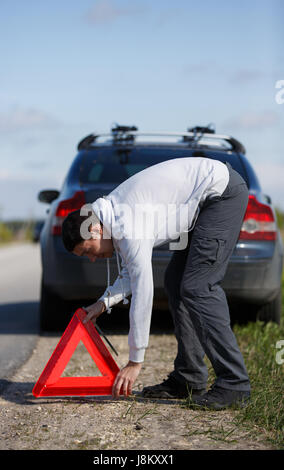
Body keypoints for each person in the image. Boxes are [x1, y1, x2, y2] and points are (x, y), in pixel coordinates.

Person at [62, 157, 251, 410]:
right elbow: (131, 273)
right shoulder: (113, 216)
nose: (93, 258)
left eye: (88, 251)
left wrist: (135, 361)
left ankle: (234, 384)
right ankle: (189, 378)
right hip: (201, 203)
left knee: (198, 287)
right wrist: (101, 304)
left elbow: (143, 289)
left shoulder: (127, 225)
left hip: (221, 194)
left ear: (95, 230)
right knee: (175, 283)